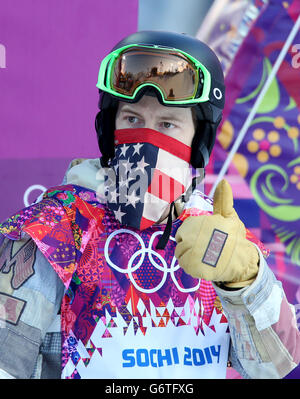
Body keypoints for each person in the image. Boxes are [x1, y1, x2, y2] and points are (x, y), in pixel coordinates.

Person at [0, 30, 299, 380]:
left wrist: (245, 281)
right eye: (132, 119)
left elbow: (279, 369)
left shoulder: (220, 236)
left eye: (167, 124)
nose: (146, 138)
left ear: (198, 141)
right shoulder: (55, 231)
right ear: (108, 129)